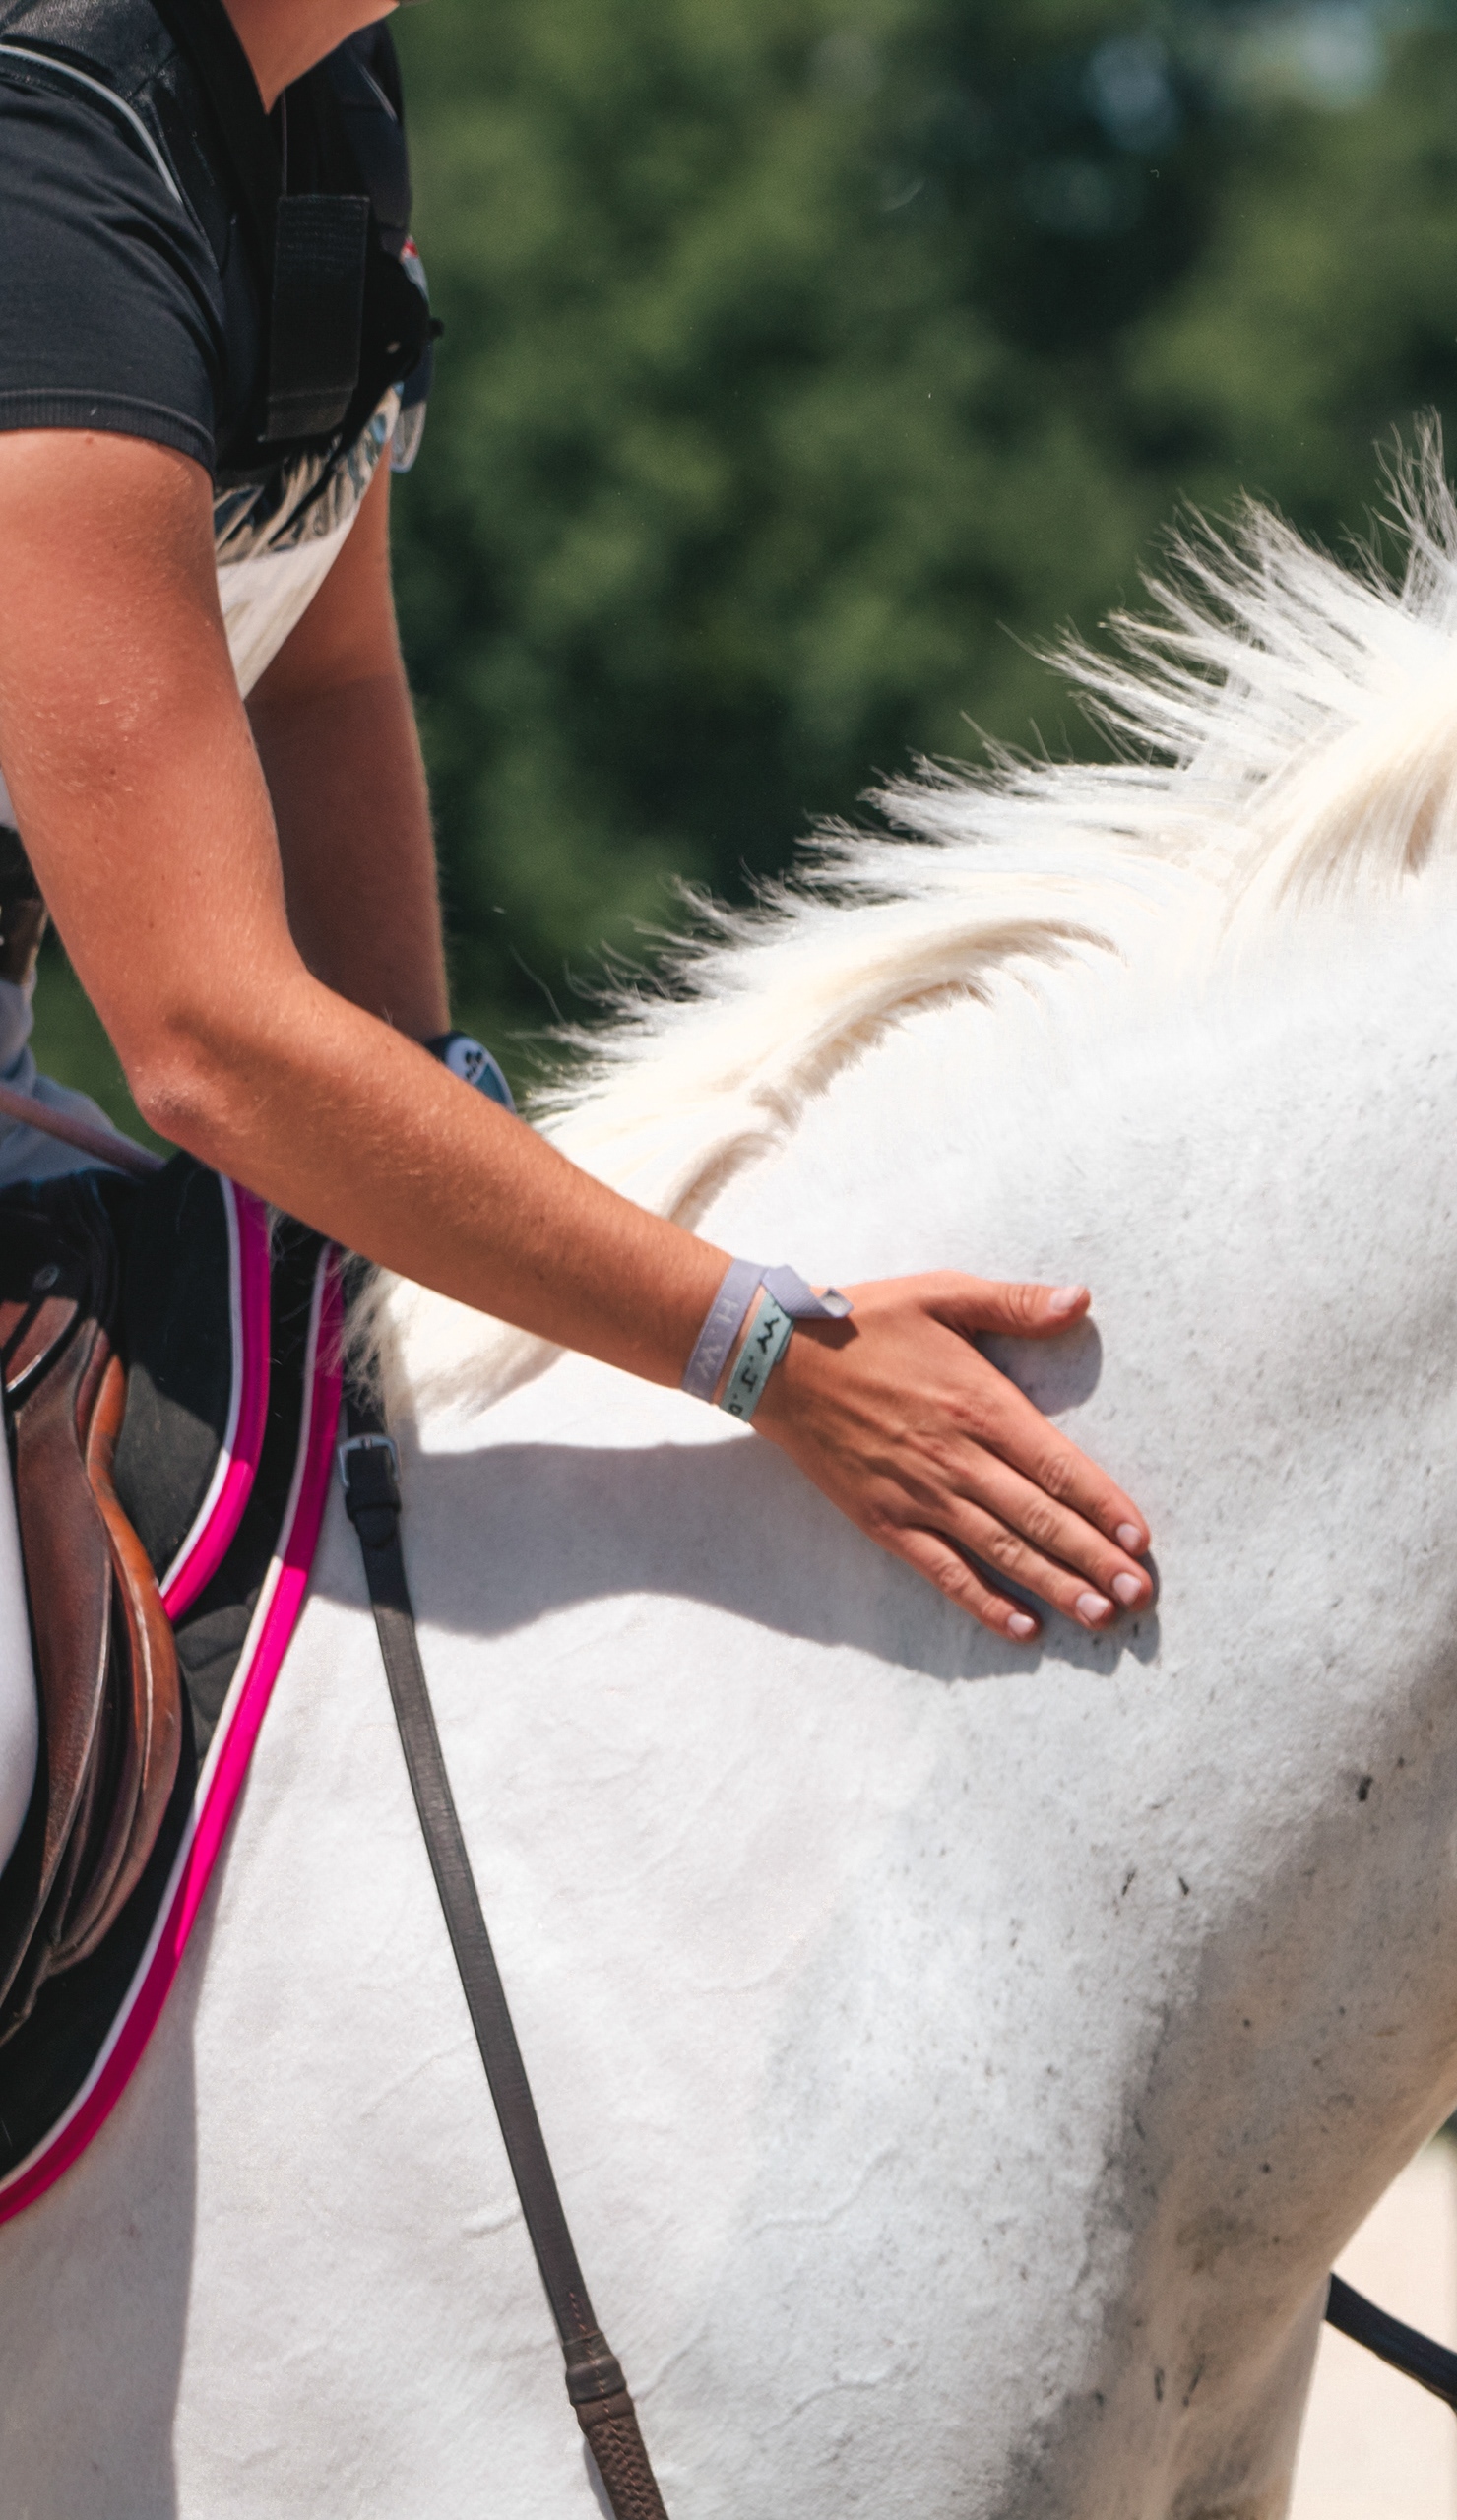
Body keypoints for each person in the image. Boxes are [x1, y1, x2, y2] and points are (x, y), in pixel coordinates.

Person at [0, 0, 1154, 1858]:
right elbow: (207, 1037)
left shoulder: (323, 99)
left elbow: (319, 665)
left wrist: (428, 1187)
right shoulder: (39, 163)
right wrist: (764, 1356)